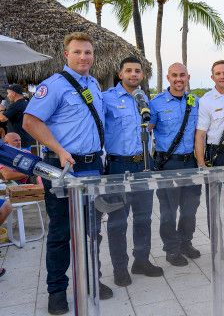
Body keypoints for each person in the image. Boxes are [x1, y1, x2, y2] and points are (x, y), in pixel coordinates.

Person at [23, 32, 112, 315]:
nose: (84, 57)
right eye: (78, 52)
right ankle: (57, 291)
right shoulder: (54, 86)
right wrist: (59, 149)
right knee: (61, 232)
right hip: (63, 168)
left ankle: (91, 280)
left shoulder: (94, 83)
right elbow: (29, 121)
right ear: (66, 55)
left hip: (92, 166)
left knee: (92, 230)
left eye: (88, 52)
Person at [103, 57, 163, 287]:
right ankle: (120, 268)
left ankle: (142, 260)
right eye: (128, 70)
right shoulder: (107, 98)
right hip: (119, 166)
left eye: (137, 71)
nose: (133, 74)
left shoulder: (142, 98)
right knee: (118, 220)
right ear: (120, 74)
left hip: (143, 165)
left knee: (143, 217)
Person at [149, 63, 201, 267]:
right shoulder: (156, 103)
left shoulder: (195, 101)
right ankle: (171, 248)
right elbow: (146, 130)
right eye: (174, 76)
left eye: (182, 75)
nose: (178, 79)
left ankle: (186, 242)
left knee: (190, 208)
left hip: (191, 162)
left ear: (188, 77)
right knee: (168, 210)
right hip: (168, 163)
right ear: (168, 78)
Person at [194, 60, 224, 237]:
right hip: (216, 155)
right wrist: (201, 163)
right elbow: (200, 134)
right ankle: (216, 237)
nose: (222, 76)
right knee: (214, 200)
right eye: (218, 74)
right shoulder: (206, 101)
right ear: (212, 77)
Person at [0, 84, 35, 148]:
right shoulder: (27, 103)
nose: (8, 96)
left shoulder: (16, 105)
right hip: (26, 140)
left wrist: (1, 109)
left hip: (16, 142)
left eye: (8, 93)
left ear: (13, 93)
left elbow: (2, 118)